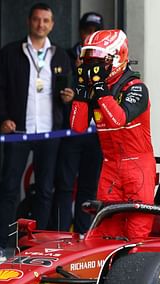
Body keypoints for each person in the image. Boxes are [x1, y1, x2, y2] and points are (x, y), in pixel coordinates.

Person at [0, 3, 72, 263]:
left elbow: (69, 89)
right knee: (9, 187)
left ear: (52, 25)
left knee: (45, 189)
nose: (41, 25)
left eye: (46, 21)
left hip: (49, 131)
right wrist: (2, 118)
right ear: (29, 22)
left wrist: (69, 97)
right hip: (19, 129)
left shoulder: (59, 55)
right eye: (37, 20)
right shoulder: (12, 52)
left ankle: (36, 247)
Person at [70, 29, 156, 240]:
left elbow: (118, 119)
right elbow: (77, 127)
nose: (93, 67)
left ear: (118, 57)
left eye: (99, 61)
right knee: (105, 234)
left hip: (138, 169)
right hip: (109, 167)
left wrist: (100, 89)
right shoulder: (96, 90)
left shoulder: (136, 88)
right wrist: (81, 91)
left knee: (136, 234)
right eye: (89, 61)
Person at [51, 12, 104, 235]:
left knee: (89, 188)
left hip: (95, 135)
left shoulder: (106, 61)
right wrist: (66, 98)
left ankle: (83, 234)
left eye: (95, 31)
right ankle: (62, 233)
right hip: (70, 132)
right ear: (80, 32)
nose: (89, 35)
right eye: (86, 30)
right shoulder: (65, 56)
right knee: (63, 185)